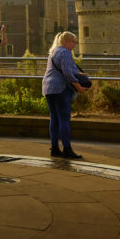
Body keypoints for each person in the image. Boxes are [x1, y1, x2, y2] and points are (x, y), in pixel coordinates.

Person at [42, 31, 89, 159]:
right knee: (64, 119)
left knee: (54, 119)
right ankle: (67, 149)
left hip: (48, 88)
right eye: (73, 42)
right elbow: (68, 73)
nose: (74, 44)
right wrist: (79, 87)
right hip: (60, 89)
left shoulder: (53, 51)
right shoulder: (65, 52)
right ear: (66, 41)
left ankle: (55, 148)